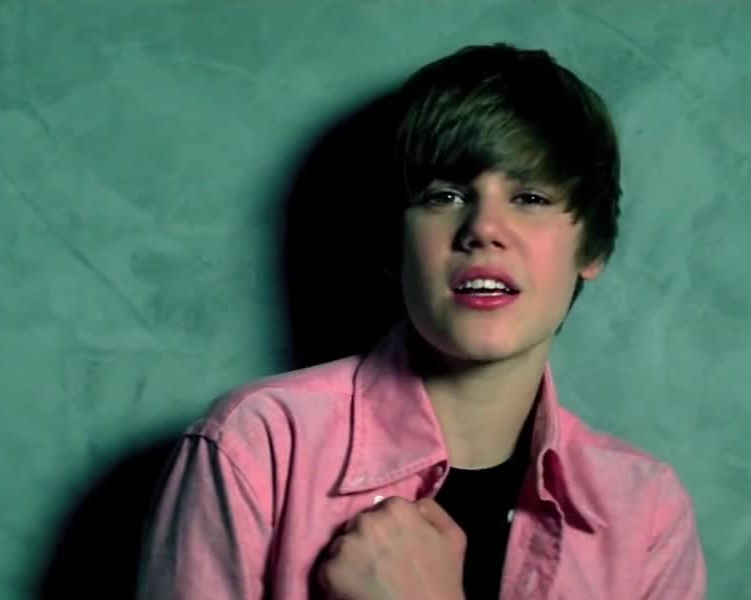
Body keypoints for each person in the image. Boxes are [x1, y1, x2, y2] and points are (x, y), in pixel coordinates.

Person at [136, 43, 706, 599]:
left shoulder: (646, 515)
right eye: (446, 196)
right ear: (396, 242)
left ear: (593, 247)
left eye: (530, 198)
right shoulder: (258, 445)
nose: (483, 229)